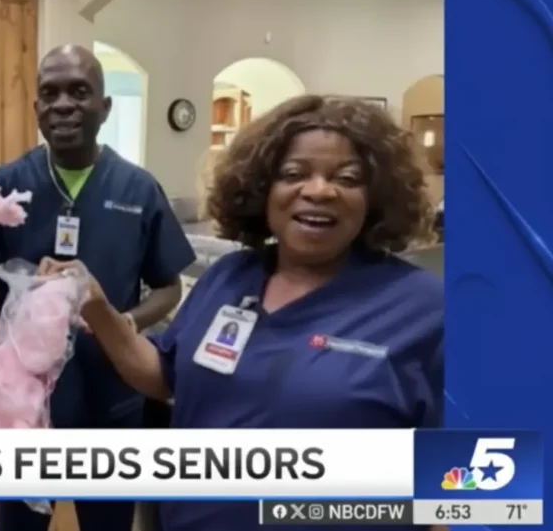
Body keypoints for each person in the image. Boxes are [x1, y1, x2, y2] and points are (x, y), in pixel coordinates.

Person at [44, 95, 444, 531]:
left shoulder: (425, 310)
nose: (318, 190)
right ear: (261, 189)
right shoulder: (231, 277)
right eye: (293, 174)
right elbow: (165, 375)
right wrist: (99, 310)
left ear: (376, 196)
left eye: (346, 178)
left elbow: (487, 480)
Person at [0, 45, 196, 531]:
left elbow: (168, 287)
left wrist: (121, 324)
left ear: (105, 107)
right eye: (49, 94)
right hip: (20, 409)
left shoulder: (138, 189)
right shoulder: (9, 184)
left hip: (111, 401)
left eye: (80, 92)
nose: (63, 104)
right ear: (35, 109)